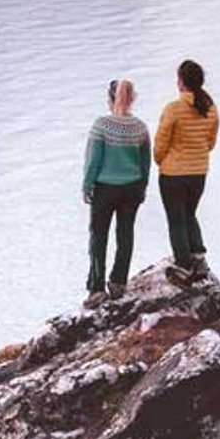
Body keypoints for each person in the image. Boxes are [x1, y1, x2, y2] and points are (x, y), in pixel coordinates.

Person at [82, 76, 152, 302]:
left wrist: (86, 185)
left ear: (110, 99)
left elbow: (93, 160)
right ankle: (119, 282)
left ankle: (97, 287)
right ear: (132, 99)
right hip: (132, 188)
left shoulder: (101, 125)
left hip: (105, 189)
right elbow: (145, 163)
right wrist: (142, 188)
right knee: (125, 234)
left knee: (98, 236)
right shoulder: (140, 128)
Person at [152, 56, 220, 285]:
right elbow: (210, 143)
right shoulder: (210, 109)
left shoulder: (173, 108)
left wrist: (161, 161)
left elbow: (161, 143)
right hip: (199, 172)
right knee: (189, 213)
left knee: (176, 219)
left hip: (173, 174)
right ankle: (198, 257)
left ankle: (183, 265)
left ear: (181, 81)